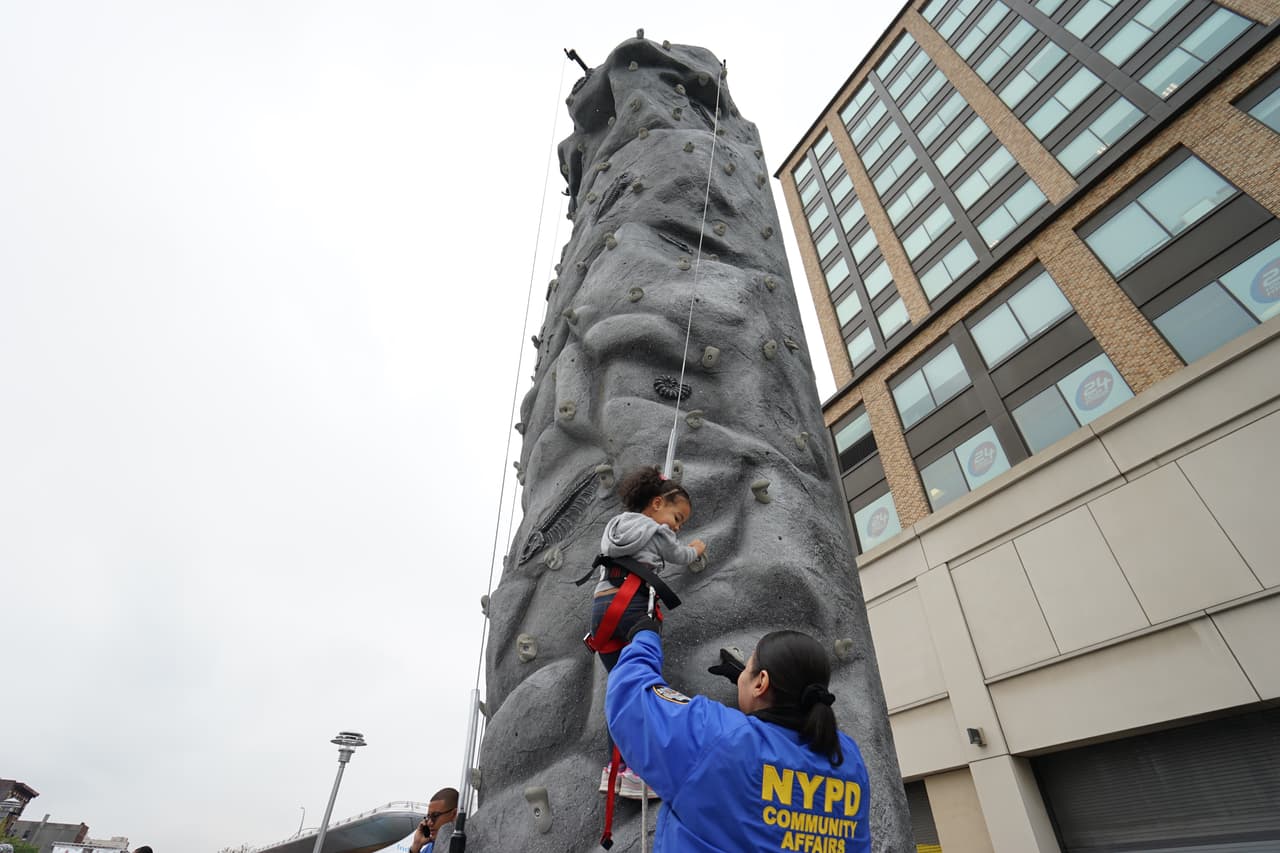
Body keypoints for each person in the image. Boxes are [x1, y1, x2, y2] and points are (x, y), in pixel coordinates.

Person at [606, 624, 872, 852]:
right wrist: (750, 689)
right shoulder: (848, 760)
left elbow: (631, 696)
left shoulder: (720, 737)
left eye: (748, 669)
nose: (743, 674)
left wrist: (645, 636)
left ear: (762, 682)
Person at [585, 465, 705, 798]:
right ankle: (639, 772)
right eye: (677, 517)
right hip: (635, 608)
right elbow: (679, 555)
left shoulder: (615, 526)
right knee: (642, 688)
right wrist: (696, 547)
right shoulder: (657, 531)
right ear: (656, 503)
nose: (677, 526)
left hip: (602, 610)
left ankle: (615, 769)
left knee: (620, 690)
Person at [408, 787, 457, 853]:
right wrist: (416, 846)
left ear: (454, 814)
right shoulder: (430, 848)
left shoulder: (469, 845)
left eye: (435, 816)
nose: (429, 823)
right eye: (428, 817)